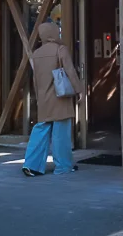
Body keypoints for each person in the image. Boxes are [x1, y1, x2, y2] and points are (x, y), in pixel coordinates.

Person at [22, 17, 84, 177]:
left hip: (43, 97)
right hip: (59, 97)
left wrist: (38, 97)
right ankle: (63, 166)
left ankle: (31, 165)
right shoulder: (60, 49)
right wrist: (79, 90)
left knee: (40, 130)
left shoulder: (36, 53)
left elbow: (35, 80)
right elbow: (70, 71)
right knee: (60, 133)